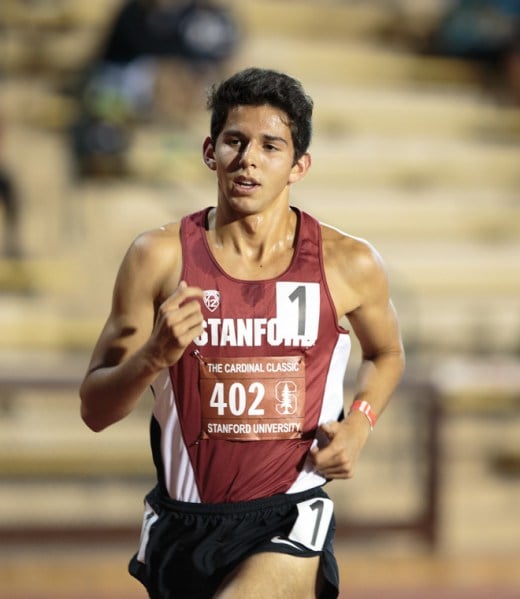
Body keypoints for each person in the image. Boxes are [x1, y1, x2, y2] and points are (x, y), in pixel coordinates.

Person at [79, 67, 405, 599]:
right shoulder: (157, 258)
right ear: (211, 151)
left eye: (270, 146)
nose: (248, 157)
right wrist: (152, 357)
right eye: (236, 140)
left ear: (299, 166)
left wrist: (360, 424)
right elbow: (95, 410)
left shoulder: (347, 263)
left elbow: (388, 353)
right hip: (183, 520)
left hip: (290, 514)